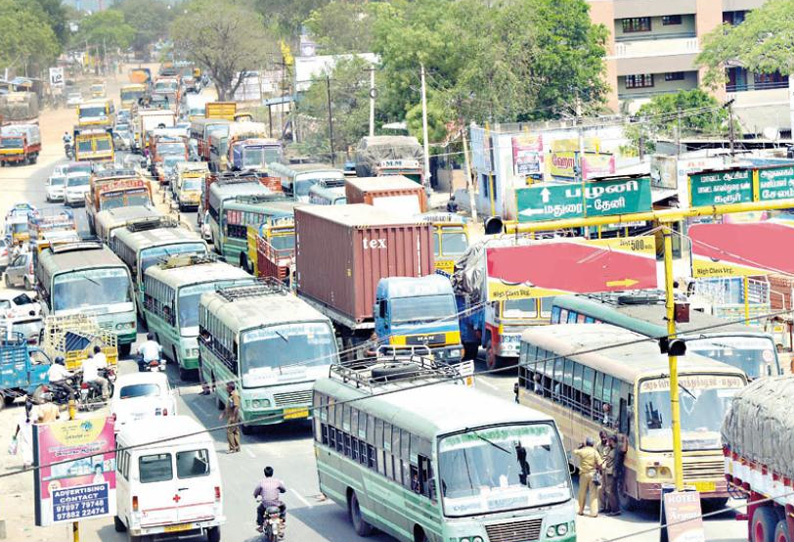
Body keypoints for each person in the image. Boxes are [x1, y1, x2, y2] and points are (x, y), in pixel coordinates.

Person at [573, 437, 602, 518]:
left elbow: (574, 451)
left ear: (586, 444)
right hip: (592, 474)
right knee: (593, 494)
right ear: (592, 444)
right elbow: (600, 463)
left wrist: (581, 446)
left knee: (582, 492)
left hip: (584, 474)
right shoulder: (595, 452)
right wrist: (598, 470)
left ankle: (581, 510)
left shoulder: (583, 451)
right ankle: (593, 513)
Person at [253, 466, 287, 533]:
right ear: (272, 473)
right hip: (276, 504)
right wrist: (280, 491)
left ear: (265, 473)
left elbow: (256, 492)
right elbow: (284, 490)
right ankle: (282, 520)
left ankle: (260, 525)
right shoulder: (277, 481)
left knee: (259, 510)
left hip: (265, 504)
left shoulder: (261, 482)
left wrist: (256, 495)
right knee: (283, 506)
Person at [219, 382, 241, 453]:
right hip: (231, 416)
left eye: (227, 387)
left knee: (229, 431)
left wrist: (233, 417)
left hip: (233, 417)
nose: (226, 388)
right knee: (235, 431)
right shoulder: (230, 395)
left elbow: (236, 406)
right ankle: (237, 447)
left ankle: (232, 448)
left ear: (230, 388)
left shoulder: (235, 395)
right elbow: (228, 406)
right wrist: (223, 414)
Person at [601, 435, 621, 516]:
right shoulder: (612, 449)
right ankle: (610, 508)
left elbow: (608, 459)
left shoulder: (615, 451)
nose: (608, 442)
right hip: (609, 471)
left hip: (611, 472)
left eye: (610, 441)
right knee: (610, 490)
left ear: (613, 441)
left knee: (609, 491)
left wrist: (606, 447)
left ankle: (615, 509)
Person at [14, 399, 36, 468]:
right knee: (32, 447)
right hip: (32, 433)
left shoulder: (21, 415)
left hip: (23, 434)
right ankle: (32, 461)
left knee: (24, 448)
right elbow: (36, 422)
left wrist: (15, 434)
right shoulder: (34, 414)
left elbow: (18, 425)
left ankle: (26, 462)